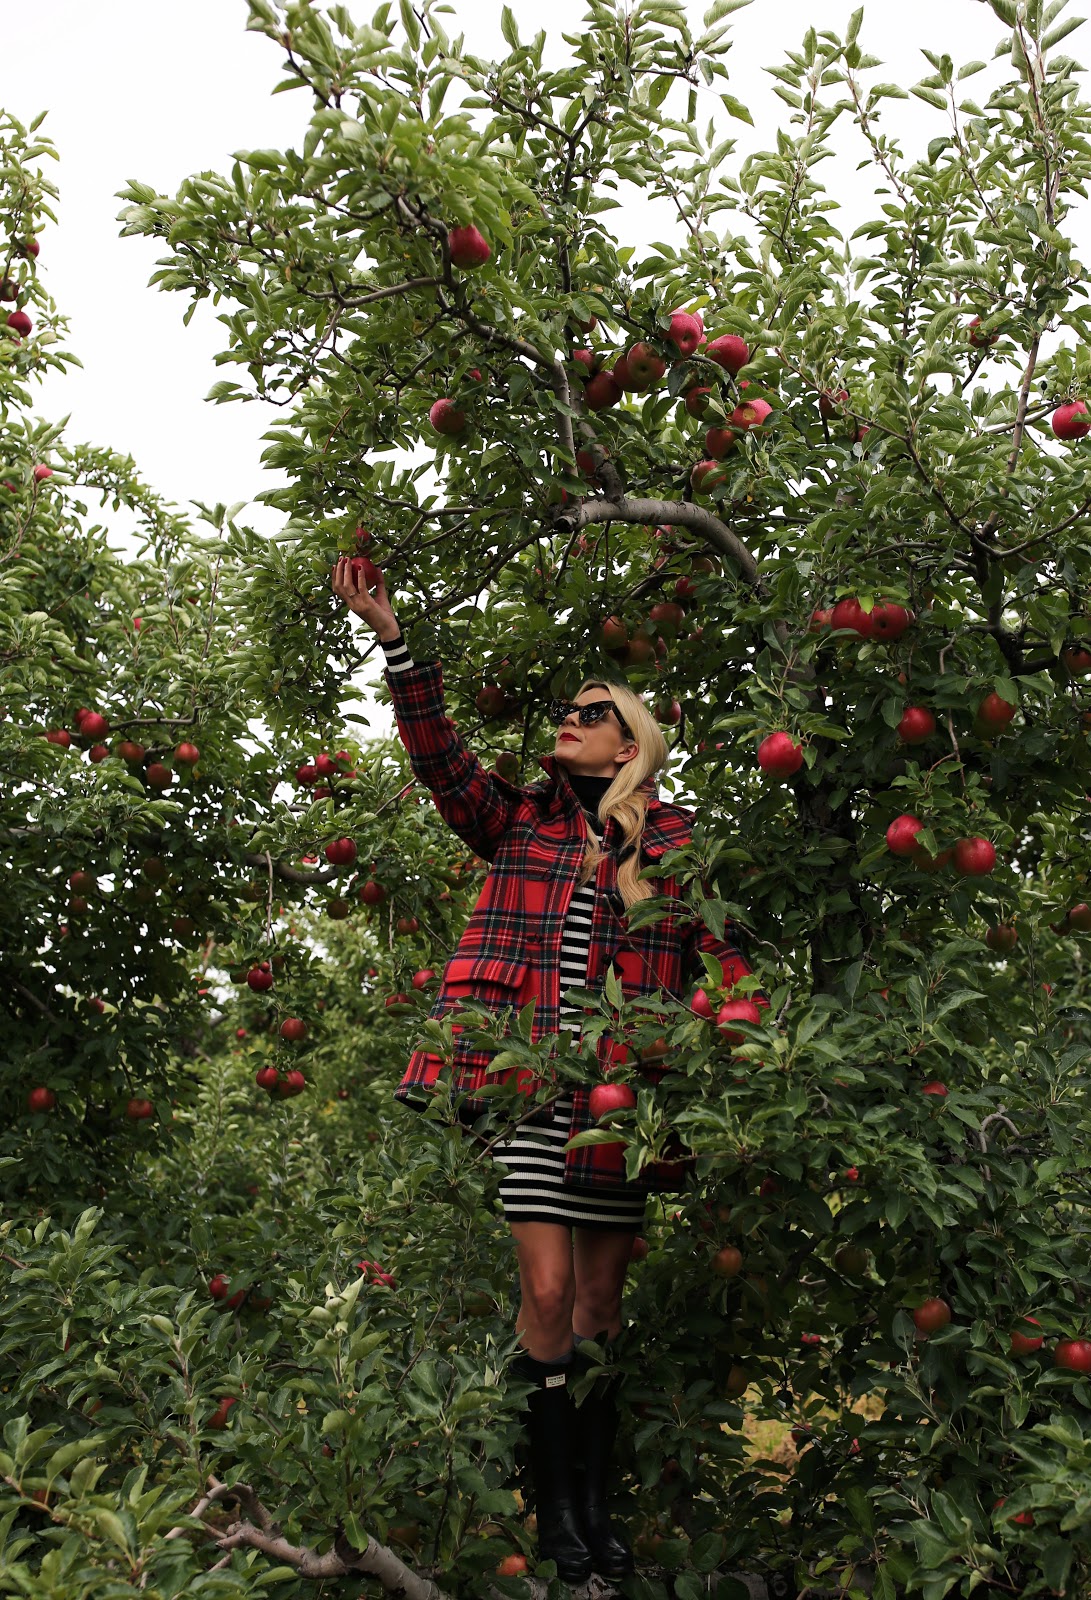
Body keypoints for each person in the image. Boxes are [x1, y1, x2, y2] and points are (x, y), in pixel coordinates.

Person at [331, 557, 767, 1583]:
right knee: (546, 1288)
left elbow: (722, 951)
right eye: (566, 711)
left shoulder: (669, 839)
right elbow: (440, 762)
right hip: (529, 1088)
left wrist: (743, 1035)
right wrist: (395, 642)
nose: (567, 721)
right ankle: (555, 1514)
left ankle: (594, 1507)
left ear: (631, 742)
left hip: (620, 1099)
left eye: (590, 712)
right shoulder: (518, 818)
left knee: (600, 1308)